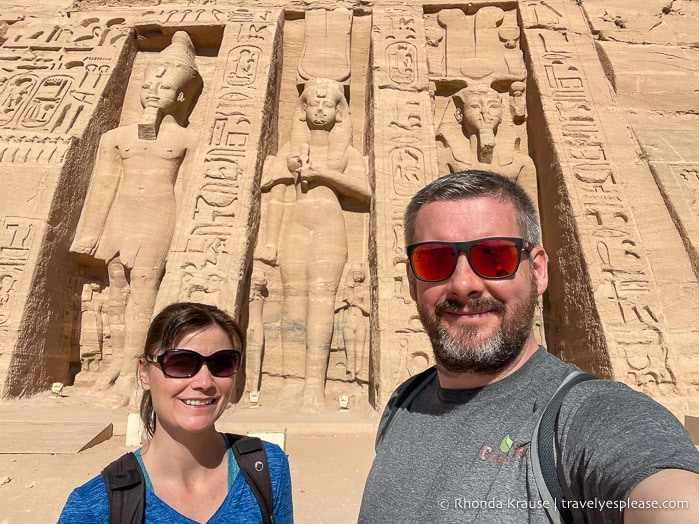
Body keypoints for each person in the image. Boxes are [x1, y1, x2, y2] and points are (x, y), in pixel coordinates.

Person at [358, 169, 699, 523]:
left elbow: (673, 499)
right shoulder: (403, 404)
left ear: (537, 271)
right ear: (412, 281)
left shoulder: (588, 418)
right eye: (435, 259)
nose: (463, 284)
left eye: (494, 257)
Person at [58, 302, 294, 523]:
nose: (204, 382)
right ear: (144, 373)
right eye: (180, 363)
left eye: (222, 363)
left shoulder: (267, 468)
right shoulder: (94, 507)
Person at [70, 31, 202, 398]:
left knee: (144, 293)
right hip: (121, 217)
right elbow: (102, 187)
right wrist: (91, 234)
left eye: (163, 88)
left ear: (179, 97)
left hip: (160, 218)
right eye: (148, 86)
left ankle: (135, 370)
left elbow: (187, 190)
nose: (153, 91)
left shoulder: (189, 140)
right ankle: (115, 361)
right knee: (116, 293)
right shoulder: (114, 136)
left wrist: (183, 242)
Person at [260, 77, 370, 411]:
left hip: (329, 226)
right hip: (295, 225)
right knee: (293, 302)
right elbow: (272, 191)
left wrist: (323, 173)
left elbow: (364, 191)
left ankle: (314, 387)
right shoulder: (290, 152)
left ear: (340, 113)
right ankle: (292, 382)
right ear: (302, 110)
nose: (320, 110)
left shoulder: (347, 152)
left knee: (322, 302)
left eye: (328, 105)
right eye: (313, 104)